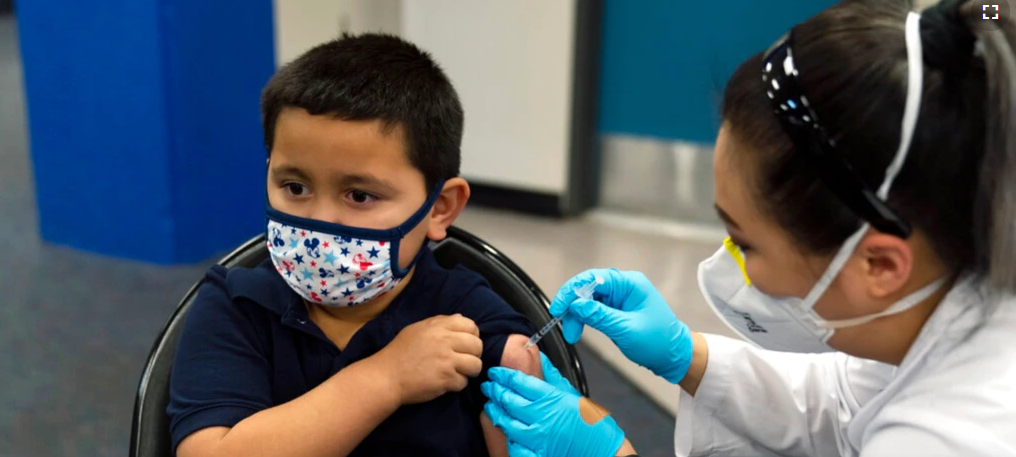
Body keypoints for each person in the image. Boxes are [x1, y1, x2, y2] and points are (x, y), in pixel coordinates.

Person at [481, 0, 1016, 456]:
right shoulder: (950, 295)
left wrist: (606, 449)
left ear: (878, 264)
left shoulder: (962, 435)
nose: (729, 262)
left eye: (746, 242)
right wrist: (684, 354)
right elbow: (845, 401)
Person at [167, 33, 542, 457]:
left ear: (439, 208)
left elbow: (527, 426)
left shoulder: (472, 317)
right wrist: (386, 379)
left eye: (359, 196)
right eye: (295, 186)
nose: (320, 221)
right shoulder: (236, 307)